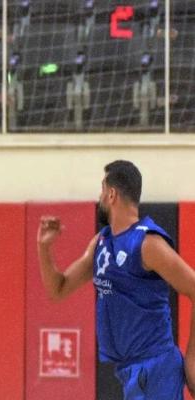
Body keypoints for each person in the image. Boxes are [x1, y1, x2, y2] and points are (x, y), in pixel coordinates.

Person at [37, 160, 195, 399]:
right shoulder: (102, 242)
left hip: (156, 369)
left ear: (111, 194)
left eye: (102, 189)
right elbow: (57, 290)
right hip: (129, 372)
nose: (99, 195)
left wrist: (192, 358)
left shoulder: (147, 243)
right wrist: (44, 248)